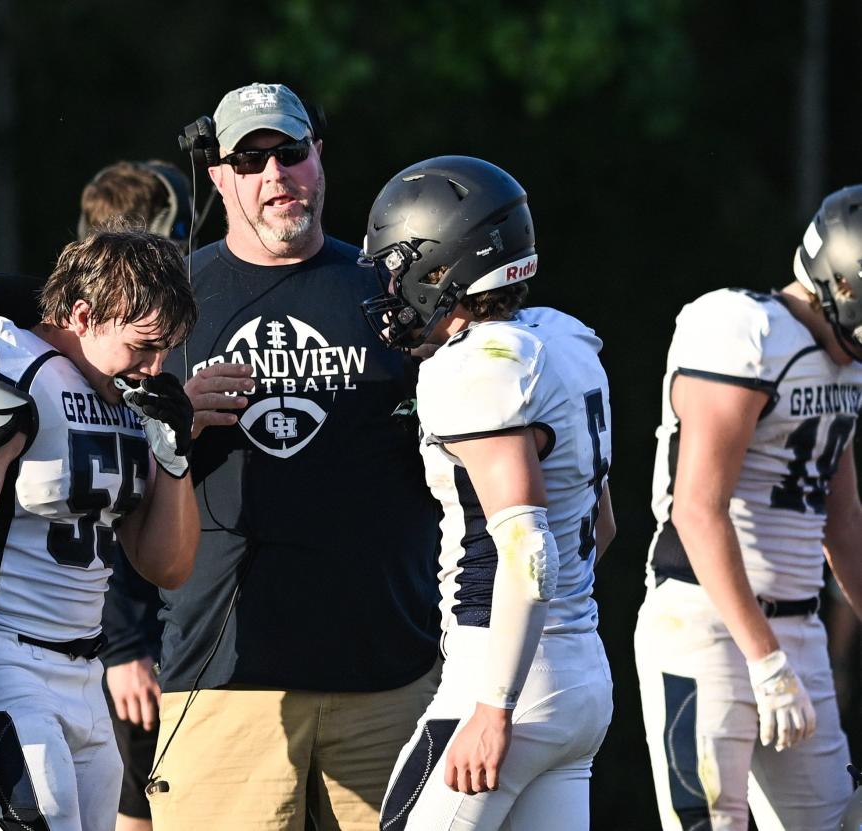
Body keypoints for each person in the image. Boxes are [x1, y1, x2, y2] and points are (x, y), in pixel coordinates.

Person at [149, 82, 441, 831]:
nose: (275, 175)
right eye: (250, 160)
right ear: (216, 175)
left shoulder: (392, 289)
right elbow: (102, 488)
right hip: (224, 684)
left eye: (290, 152)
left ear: (319, 157)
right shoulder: (172, 301)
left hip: (391, 676)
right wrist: (168, 429)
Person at [0, 227, 200, 831]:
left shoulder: (125, 394)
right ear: (84, 315)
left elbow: (166, 565)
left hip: (84, 673)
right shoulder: (1, 363)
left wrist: (173, 458)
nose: (155, 367)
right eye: (143, 345)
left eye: (167, 348)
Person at [356, 157, 614, 830]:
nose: (389, 283)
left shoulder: (474, 367)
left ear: (442, 267)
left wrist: (495, 703)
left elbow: (528, 552)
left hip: (504, 674)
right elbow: (601, 525)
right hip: (580, 672)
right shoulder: (563, 340)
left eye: (397, 264)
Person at [634, 185, 862, 830]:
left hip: (799, 627)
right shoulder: (744, 329)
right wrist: (766, 662)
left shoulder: (842, 365)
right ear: (843, 281)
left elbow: (842, 522)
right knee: (712, 822)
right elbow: (698, 510)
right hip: (706, 623)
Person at [78, 159, 194, 831]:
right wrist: (125, 643)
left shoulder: (144, 335)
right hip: (102, 637)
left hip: (148, 626)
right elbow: (99, 509)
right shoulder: (96, 350)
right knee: (134, 810)